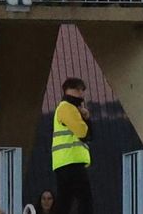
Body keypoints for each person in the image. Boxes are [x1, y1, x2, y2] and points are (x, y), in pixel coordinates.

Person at [51, 77, 92, 214]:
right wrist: (86, 119)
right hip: (72, 160)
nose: (81, 93)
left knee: (65, 201)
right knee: (85, 199)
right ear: (70, 90)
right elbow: (83, 133)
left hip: (64, 161)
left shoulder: (65, 108)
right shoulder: (68, 107)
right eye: (79, 89)